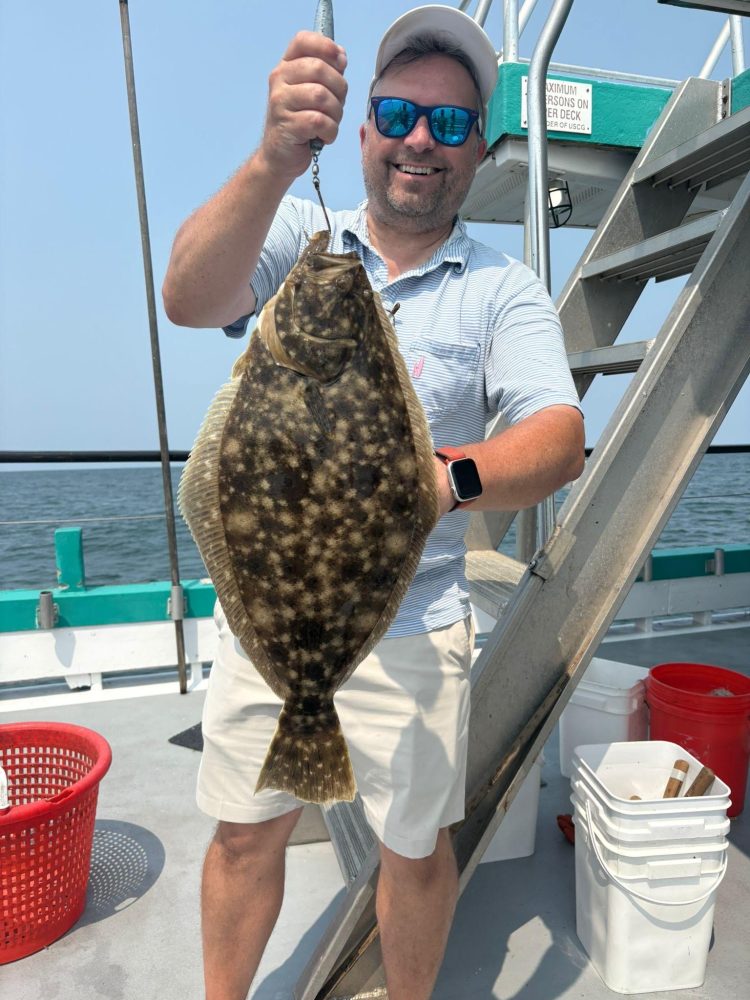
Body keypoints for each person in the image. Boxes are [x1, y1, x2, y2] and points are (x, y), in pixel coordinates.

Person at [163, 6, 585, 999]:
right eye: (399, 112)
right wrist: (272, 157)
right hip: (272, 610)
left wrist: (445, 481)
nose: (419, 141)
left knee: (414, 844)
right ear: (362, 128)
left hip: (417, 619)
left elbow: (559, 436)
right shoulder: (304, 234)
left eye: (449, 124)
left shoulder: (501, 289)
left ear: (479, 148)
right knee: (244, 825)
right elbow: (189, 296)